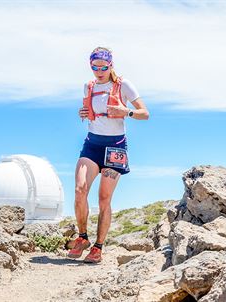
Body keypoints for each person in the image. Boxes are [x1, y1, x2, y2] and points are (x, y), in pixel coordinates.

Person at [68, 47, 149, 263]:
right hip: (92, 144)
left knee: (104, 198)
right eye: (95, 67)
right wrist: (82, 113)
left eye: (103, 67)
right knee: (79, 190)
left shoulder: (124, 85)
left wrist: (127, 112)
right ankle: (83, 237)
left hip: (115, 147)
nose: (99, 70)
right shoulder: (89, 86)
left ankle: (98, 247)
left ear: (111, 65)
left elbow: (145, 113)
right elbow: (89, 111)